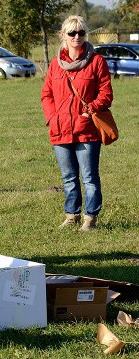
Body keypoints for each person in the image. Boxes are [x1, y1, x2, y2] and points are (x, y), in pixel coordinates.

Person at [41, 15, 113, 232]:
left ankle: (90, 218)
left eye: (81, 32)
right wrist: (52, 117)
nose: (76, 37)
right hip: (60, 129)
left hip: (87, 130)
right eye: (72, 33)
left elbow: (106, 94)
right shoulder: (56, 65)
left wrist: (88, 110)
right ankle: (71, 215)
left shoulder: (97, 62)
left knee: (89, 177)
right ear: (63, 35)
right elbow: (46, 95)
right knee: (69, 177)